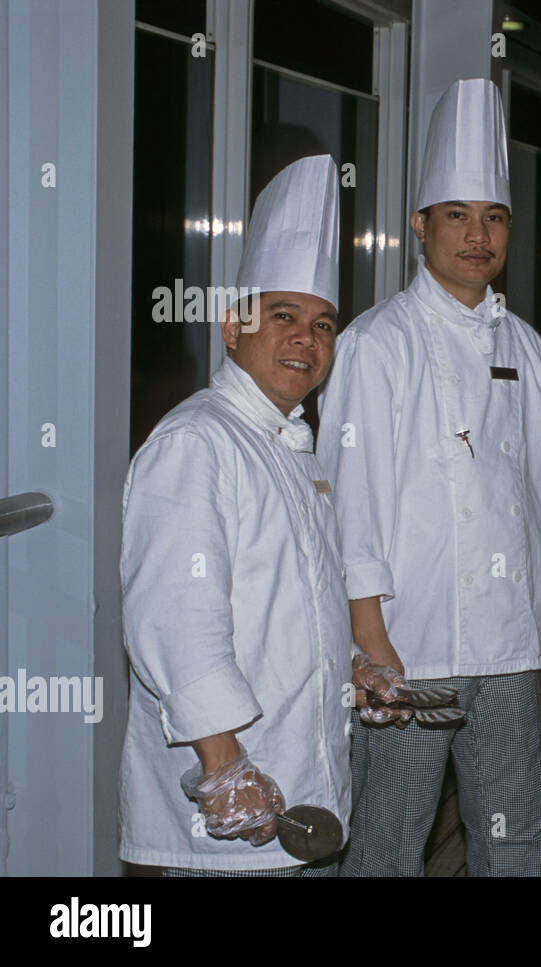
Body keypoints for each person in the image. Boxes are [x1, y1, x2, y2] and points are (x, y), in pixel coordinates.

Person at [318, 78, 541, 877]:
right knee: (390, 845)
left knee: (510, 837)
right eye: (458, 216)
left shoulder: (526, 348)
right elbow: (348, 500)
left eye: (493, 217)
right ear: (420, 226)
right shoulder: (376, 343)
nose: (478, 235)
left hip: (508, 645)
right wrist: (371, 643)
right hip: (410, 646)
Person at [120, 155, 404, 875]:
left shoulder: (296, 452)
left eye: (324, 324)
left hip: (305, 795)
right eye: (284, 317)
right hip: (231, 817)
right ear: (232, 327)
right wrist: (223, 766)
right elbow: (175, 620)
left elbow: (291, 607)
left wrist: (353, 664)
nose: (307, 341)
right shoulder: (197, 442)